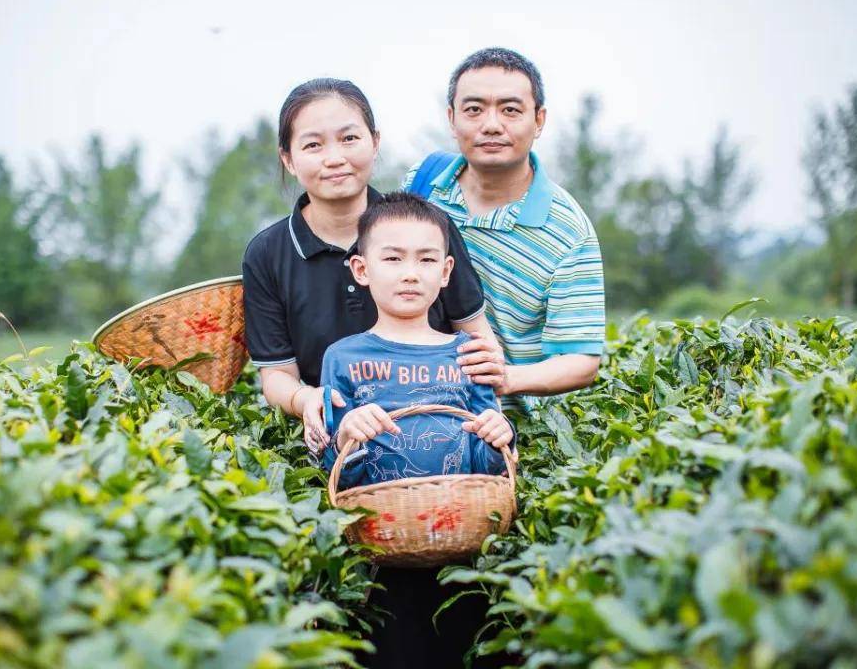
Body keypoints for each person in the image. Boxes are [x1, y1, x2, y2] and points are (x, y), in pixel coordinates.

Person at [242, 78, 506, 455]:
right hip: (342, 440)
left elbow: (478, 341)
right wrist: (308, 401)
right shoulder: (268, 253)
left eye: (349, 139)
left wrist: (492, 413)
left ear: (375, 142)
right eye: (313, 145)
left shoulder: (428, 228)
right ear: (288, 158)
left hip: (445, 437)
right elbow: (277, 376)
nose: (335, 158)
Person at [320, 192, 514, 669]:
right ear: (362, 270)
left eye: (426, 259)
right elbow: (333, 468)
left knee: (460, 650)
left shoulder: (466, 352)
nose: (411, 272)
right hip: (379, 551)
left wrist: (498, 434)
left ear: (446, 273)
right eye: (393, 258)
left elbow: (491, 467)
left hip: (462, 552)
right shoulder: (342, 357)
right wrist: (347, 435)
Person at [404, 48, 605, 409]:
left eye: (510, 110)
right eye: (474, 109)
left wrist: (507, 378)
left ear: (539, 120)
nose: (492, 124)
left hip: (508, 428)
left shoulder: (568, 231)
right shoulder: (423, 183)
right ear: (452, 119)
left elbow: (582, 361)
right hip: (407, 405)